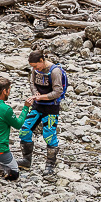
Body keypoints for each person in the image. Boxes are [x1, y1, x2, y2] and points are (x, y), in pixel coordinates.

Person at [19, 49, 66, 179]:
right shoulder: (36, 70)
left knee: (49, 135)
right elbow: (32, 83)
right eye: (32, 67)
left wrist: (43, 97)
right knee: (24, 130)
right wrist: (35, 93)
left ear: (42, 60)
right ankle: (26, 161)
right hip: (37, 106)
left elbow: (58, 92)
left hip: (51, 108)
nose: (34, 69)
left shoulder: (55, 71)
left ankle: (50, 165)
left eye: (35, 65)